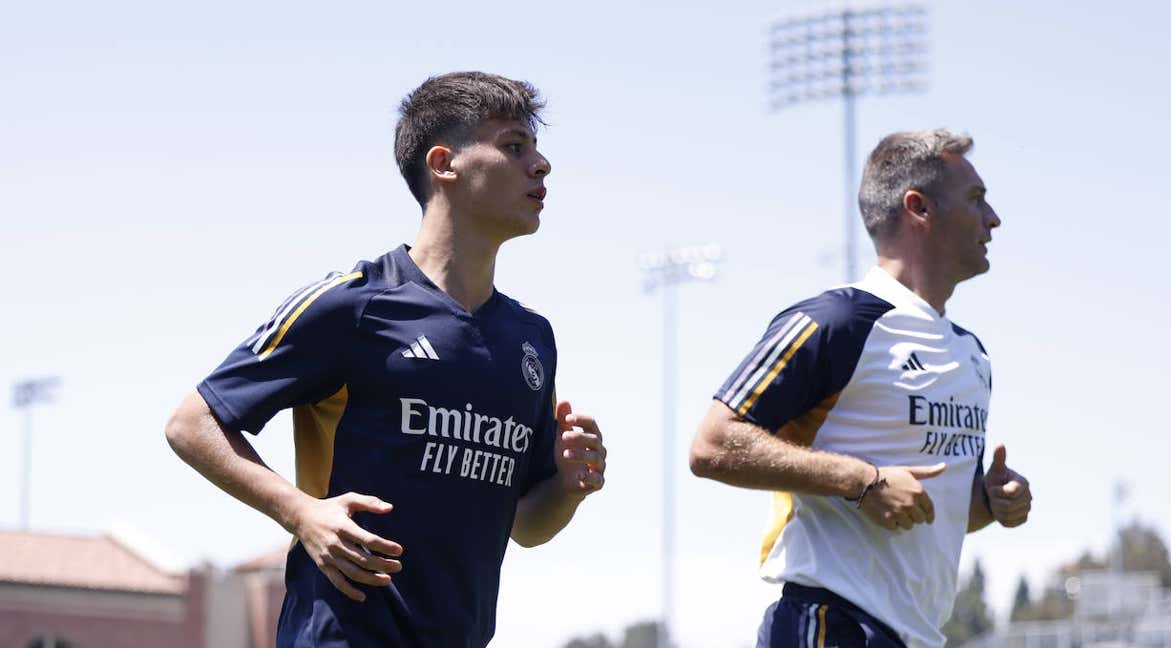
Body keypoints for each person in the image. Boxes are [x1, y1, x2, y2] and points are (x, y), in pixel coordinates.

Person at [165, 71, 607, 648]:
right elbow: (192, 424)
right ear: (444, 164)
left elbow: (528, 523)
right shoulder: (353, 304)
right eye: (514, 146)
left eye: (536, 148)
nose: (541, 164)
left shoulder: (531, 338)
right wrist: (300, 513)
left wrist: (570, 488)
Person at [689, 130, 1032, 648]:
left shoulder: (973, 355)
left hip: (915, 637)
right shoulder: (840, 320)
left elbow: (929, 514)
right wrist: (862, 479)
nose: (994, 219)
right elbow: (712, 445)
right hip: (829, 624)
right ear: (919, 208)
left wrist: (992, 503)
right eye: (976, 199)